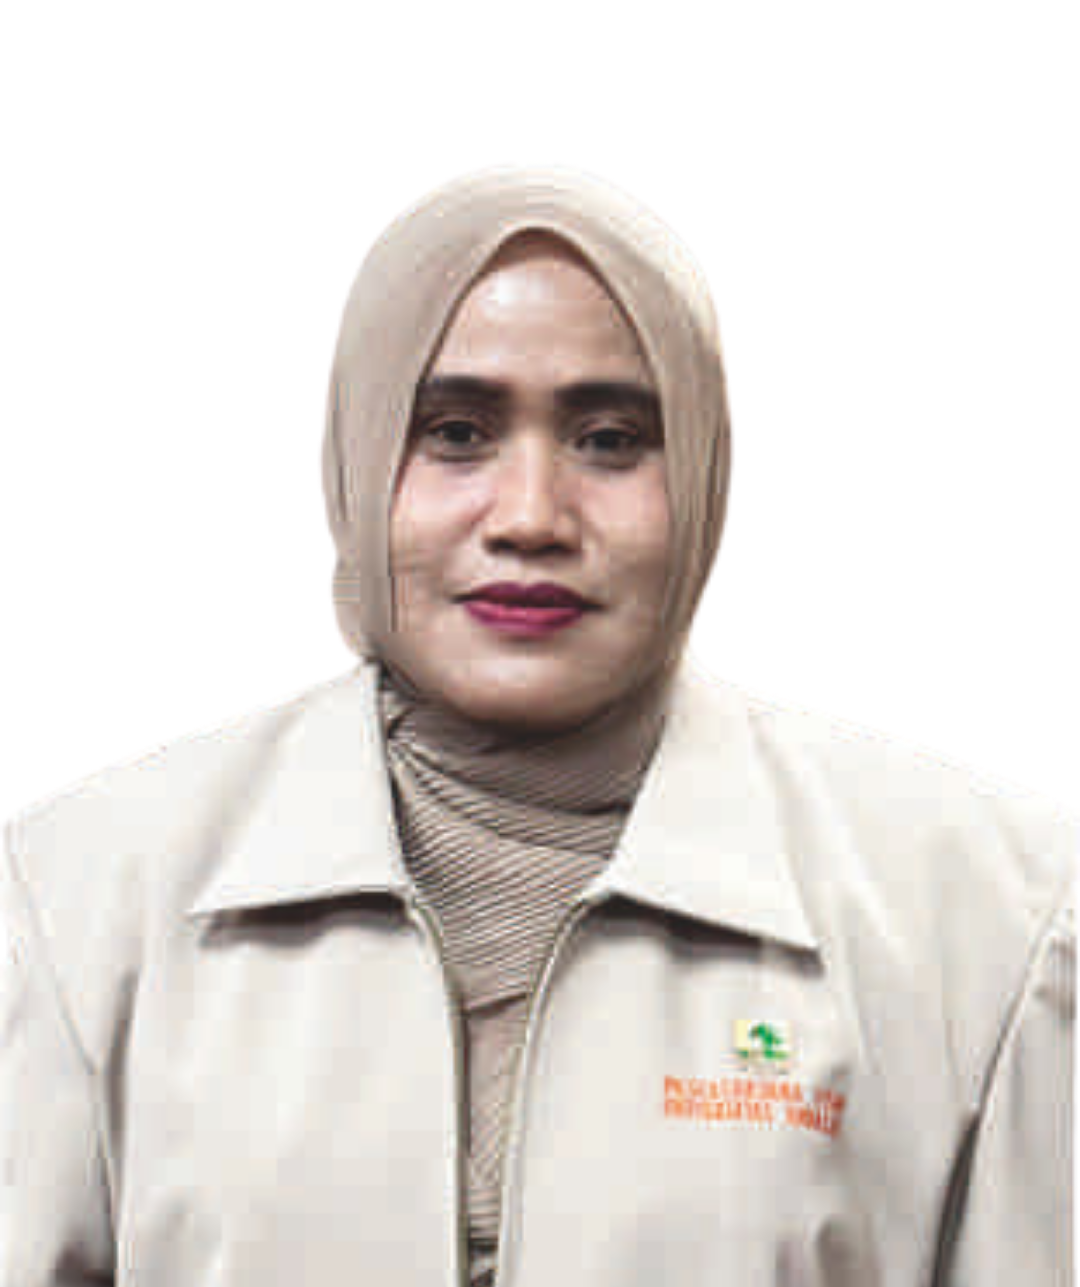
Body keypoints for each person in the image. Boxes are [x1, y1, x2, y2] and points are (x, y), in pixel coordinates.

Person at [0, 164, 1073, 1287]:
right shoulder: (85, 900)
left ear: (702, 469)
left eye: (610, 439)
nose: (530, 517)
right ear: (360, 458)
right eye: (456, 432)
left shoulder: (984, 922)